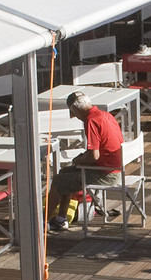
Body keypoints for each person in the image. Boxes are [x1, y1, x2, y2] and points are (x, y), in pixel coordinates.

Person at [49, 92, 125, 229]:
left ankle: (41, 223)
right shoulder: (105, 115)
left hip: (106, 174)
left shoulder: (90, 121)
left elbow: (93, 156)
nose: (75, 117)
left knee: (59, 180)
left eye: (73, 113)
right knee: (64, 174)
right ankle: (61, 219)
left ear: (76, 110)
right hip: (115, 168)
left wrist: (79, 161)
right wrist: (80, 159)